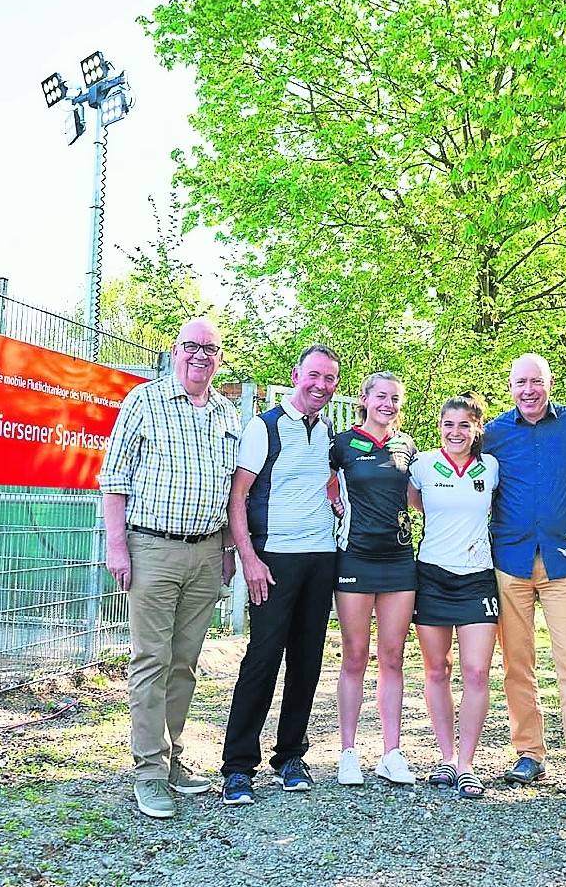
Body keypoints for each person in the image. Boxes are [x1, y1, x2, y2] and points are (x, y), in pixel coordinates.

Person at [99, 318, 240, 820]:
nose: (201, 355)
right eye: (191, 346)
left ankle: (172, 755)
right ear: (175, 351)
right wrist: (118, 547)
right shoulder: (144, 401)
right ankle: (149, 772)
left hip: (205, 553)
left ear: (219, 357)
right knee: (151, 660)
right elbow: (113, 477)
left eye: (211, 349)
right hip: (151, 548)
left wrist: (226, 551)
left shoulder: (227, 413)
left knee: (184, 663)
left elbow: (231, 492)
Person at [483, 353, 566, 809]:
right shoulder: (493, 433)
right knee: (517, 662)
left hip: (563, 560)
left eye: (536, 381)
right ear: (510, 387)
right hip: (510, 560)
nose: (528, 389)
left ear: (549, 384)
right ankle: (530, 752)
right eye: (520, 382)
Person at [221, 345, 341, 805]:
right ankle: (237, 766)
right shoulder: (263, 427)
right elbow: (238, 498)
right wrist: (248, 558)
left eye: (329, 379)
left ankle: (291, 755)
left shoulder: (329, 431)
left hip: (320, 558)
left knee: (307, 661)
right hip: (274, 559)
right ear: (296, 375)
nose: (320, 386)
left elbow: (326, 483)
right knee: (263, 659)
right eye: (313, 376)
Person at [408, 393, 500, 799]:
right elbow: (415, 502)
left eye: (464, 425)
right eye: (448, 424)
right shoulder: (423, 466)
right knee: (436, 670)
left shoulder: (491, 467)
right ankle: (446, 758)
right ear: (439, 427)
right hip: (432, 575)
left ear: (477, 428)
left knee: (477, 671)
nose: (455, 432)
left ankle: (467, 764)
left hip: (478, 577)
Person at [330, 372, 418, 786]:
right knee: (355, 655)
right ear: (364, 399)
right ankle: (348, 752)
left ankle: (391, 752)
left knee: (393, 656)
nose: (388, 403)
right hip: (356, 557)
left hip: (400, 560)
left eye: (395, 398)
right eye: (380, 396)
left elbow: (418, 497)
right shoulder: (343, 444)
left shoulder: (407, 446)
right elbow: (327, 488)